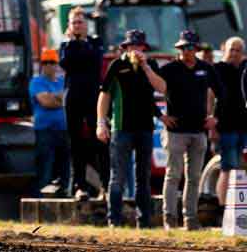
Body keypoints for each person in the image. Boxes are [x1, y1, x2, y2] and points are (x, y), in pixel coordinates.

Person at [98, 29, 166, 227]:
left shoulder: (151, 64)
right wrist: (101, 123)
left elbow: (162, 88)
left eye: (138, 46)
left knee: (142, 176)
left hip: (145, 127)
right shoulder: (117, 65)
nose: (135, 49)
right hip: (121, 128)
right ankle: (114, 221)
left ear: (144, 47)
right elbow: (104, 95)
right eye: (131, 46)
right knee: (117, 175)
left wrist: (146, 67)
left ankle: (143, 221)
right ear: (125, 48)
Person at [157, 30, 222, 230]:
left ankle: (190, 219)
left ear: (197, 49)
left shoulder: (205, 68)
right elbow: (149, 90)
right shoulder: (170, 69)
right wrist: (160, 116)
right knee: (173, 175)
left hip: (198, 131)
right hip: (176, 131)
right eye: (184, 47)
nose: (188, 51)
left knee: (194, 178)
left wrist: (214, 116)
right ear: (179, 49)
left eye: (191, 47)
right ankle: (169, 219)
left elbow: (221, 92)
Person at [58, 6, 107, 199]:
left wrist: (82, 47)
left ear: (86, 25)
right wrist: (74, 43)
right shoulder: (66, 45)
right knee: (76, 143)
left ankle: (105, 185)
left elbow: (95, 61)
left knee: (100, 142)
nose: (77, 26)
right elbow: (66, 62)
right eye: (74, 23)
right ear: (69, 26)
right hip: (73, 97)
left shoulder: (96, 42)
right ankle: (79, 186)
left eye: (80, 22)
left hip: (93, 97)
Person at [30, 48, 70, 195]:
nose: (49, 65)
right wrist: (61, 99)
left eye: (52, 62)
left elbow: (68, 99)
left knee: (64, 167)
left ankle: (63, 195)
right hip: (44, 130)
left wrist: (56, 98)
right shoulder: (36, 82)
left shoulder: (63, 81)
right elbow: (46, 102)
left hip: (64, 130)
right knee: (45, 166)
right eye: (45, 62)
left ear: (57, 64)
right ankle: (40, 198)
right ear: (41, 64)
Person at [214, 36, 247, 204]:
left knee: (239, 167)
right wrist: (212, 126)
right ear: (225, 51)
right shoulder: (218, 69)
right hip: (225, 127)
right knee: (228, 167)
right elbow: (209, 96)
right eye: (231, 50)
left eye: (238, 50)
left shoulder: (243, 70)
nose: (234, 53)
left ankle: (237, 207)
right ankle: (222, 206)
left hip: (243, 126)